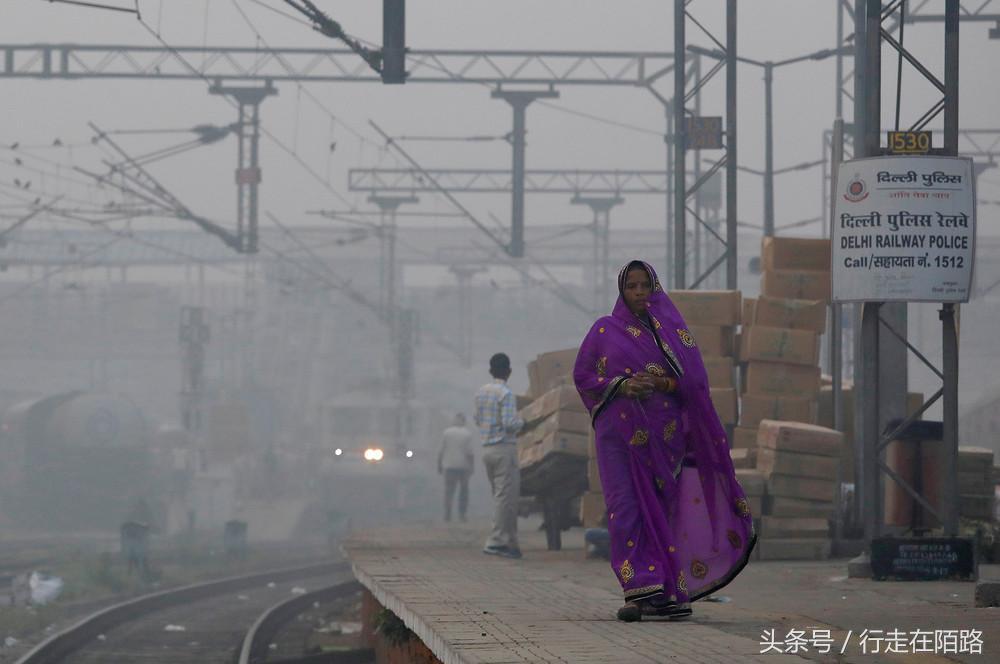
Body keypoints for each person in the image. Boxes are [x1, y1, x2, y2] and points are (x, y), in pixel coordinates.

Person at [573, 260, 756, 622]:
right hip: (618, 438)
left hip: (664, 440)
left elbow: (693, 384)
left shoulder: (672, 333)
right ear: (622, 291)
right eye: (631, 286)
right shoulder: (604, 330)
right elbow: (583, 376)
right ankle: (638, 589)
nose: (639, 292)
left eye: (645, 285)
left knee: (659, 511)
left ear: (655, 288)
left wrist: (658, 383)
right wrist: (622, 386)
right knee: (625, 508)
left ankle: (665, 591)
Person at [474, 352, 525, 558]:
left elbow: (477, 419)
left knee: (500, 497)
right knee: (505, 499)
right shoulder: (506, 394)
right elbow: (509, 424)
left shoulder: (481, 393)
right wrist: (525, 422)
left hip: (487, 450)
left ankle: (510, 542)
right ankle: (496, 542)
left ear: (490, 370)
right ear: (509, 371)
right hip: (504, 449)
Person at [438, 413, 475, 522]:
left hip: (449, 466)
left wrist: (439, 464)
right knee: (463, 492)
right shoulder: (467, 434)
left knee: (449, 491)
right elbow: (470, 453)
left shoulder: (446, 433)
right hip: (463, 466)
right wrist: (472, 466)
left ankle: (447, 514)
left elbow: (441, 450)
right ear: (464, 421)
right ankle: (462, 515)